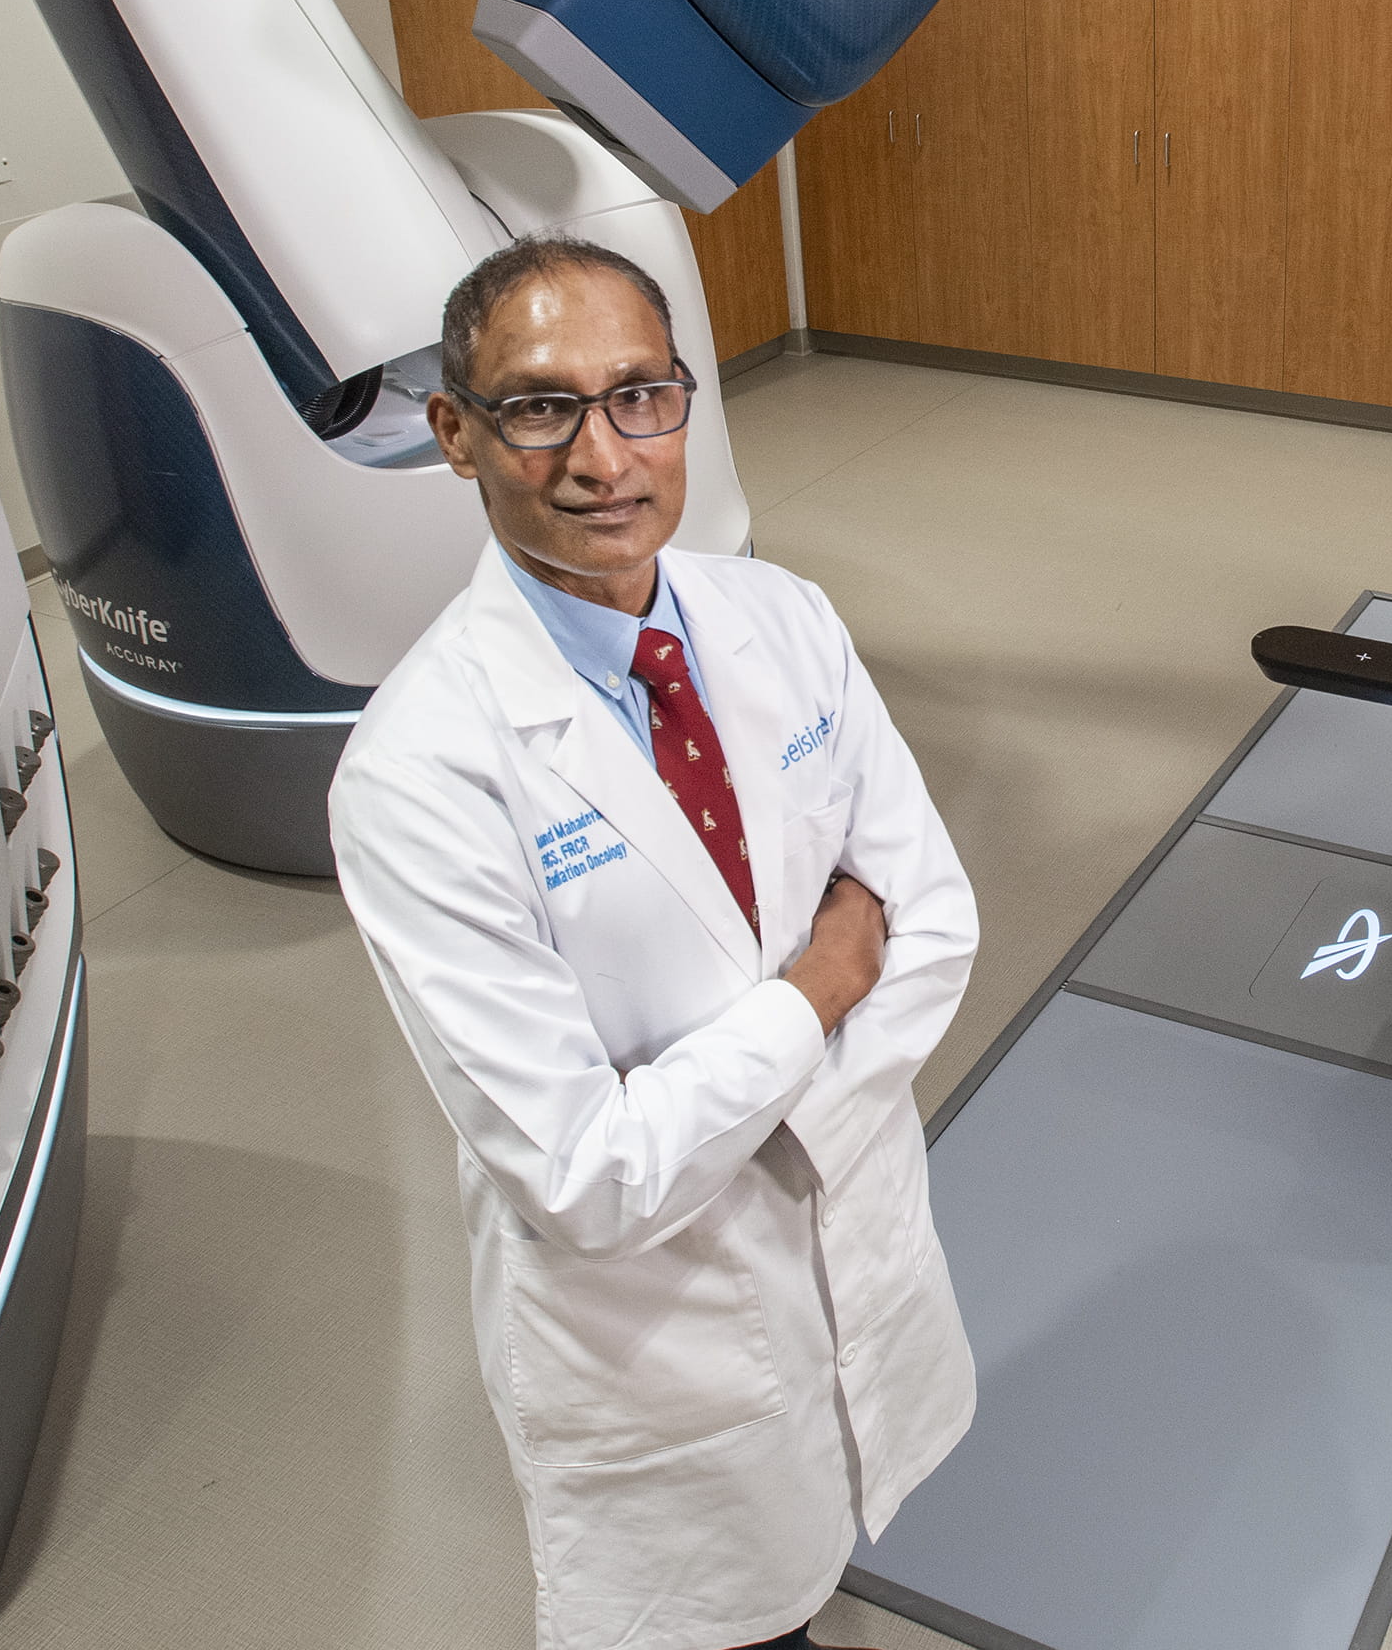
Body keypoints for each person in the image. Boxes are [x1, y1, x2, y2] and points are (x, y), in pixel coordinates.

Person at [330, 235, 980, 1650]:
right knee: (728, 1623)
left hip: (840, 1235)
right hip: (655, 1341)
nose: (604, 457)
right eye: (538, 405)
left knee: (815, 1566)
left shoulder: (782, 621)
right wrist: (814, 995)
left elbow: (930, 921)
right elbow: (586, 1176)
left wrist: (728, 1110)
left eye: (641, 396)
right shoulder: (423, 771)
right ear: (455, 434)